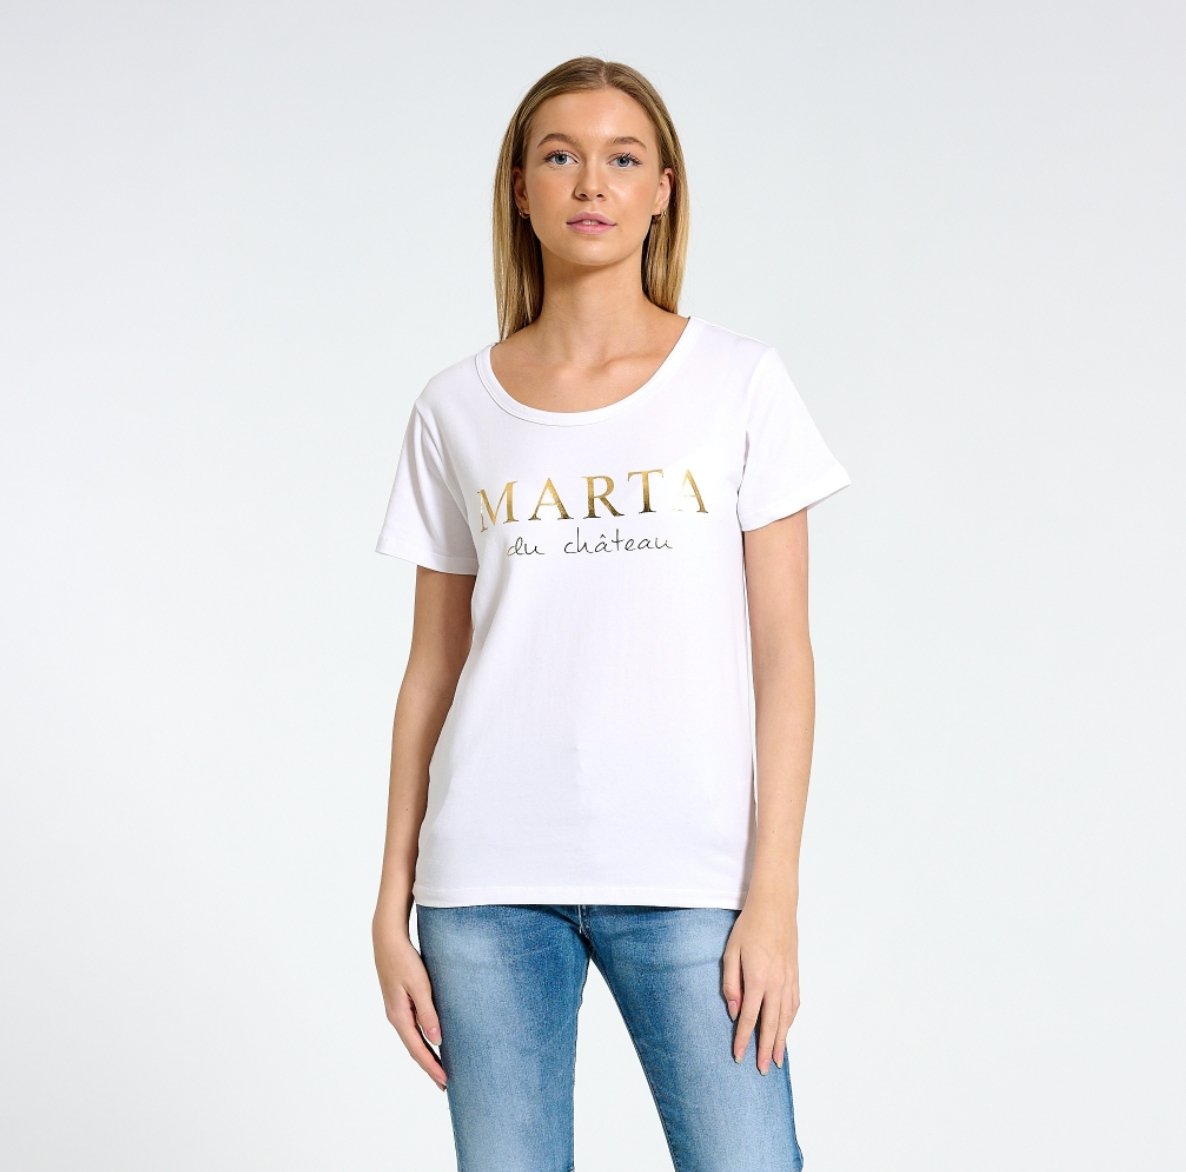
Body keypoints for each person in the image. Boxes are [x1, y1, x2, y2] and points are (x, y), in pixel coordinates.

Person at [371, 55, 851, 1171]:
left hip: (692, 876)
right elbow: (431, 670)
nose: (592, 181)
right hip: (484, 884)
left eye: (623, 157)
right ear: (520, 189)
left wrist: (773, 893)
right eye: (560, 155)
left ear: (662, 190)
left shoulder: (738, 382)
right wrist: (390, 902)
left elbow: (784, 654)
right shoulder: (455, 406)